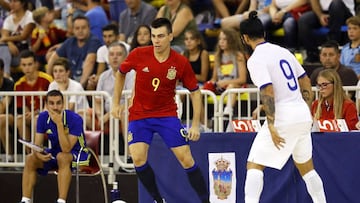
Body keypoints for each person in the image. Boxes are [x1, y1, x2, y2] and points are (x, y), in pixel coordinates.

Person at [111, 18, 210, 203]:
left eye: (161, 36)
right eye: (153, 36)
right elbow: (121, 73)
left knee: (186, 159)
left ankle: (206, 201)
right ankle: (158, 199)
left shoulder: (180, 62)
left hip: (166, 115)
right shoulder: (139, 54)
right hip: (139, 115)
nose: (156, 40)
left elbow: (196, 93)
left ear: (171, 36)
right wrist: (115, 103)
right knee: (138, 158)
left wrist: (196, 125)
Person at [239, 11, 326, 203]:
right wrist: (304, 106)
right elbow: (304, 80)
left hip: (282, 116)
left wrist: (271, 124)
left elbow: (268, 90)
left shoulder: (255, 59)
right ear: (264, 33)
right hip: (302, 113)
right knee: (307, 168)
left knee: (254, 165)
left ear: (245, 38)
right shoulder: (283, 51)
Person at [19, 89, 89, 203]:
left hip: (80, 153)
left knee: (63, 156)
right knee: (31, 158)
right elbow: (38, 144)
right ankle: (25, 200)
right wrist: (38, 154)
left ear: (63, 104)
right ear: (46, 105)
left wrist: (59, 124)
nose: (55, 107)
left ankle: (61, 201)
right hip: (56, 152)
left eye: (58, 103)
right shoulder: (42, 117)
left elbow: (67, 149)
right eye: (51, 103)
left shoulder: (75, 119)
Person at [47, 15, 102, 88]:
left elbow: (90, 61)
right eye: (77, 28)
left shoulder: (94, 41)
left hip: (87, 81)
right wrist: (50, 79)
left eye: (83, 28)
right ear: (73, 30)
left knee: (90, 83)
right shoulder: (70, 41)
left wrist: (80, 86)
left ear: (89, 28)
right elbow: (53, 58)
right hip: (71, 81)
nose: (80, 31)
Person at [203, 27, 247, 116]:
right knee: (199, 91)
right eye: (220, 39)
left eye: (225, 39)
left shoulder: (238, 56)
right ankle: (202, 121)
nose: (221, 42)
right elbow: (214, 78)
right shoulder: (218, 56)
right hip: (221, 85)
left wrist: (226, 82)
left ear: (231, 41)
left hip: (235, 85)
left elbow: (242, 79)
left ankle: (228, 111)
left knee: (231, 87)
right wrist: (211, 84)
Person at [15, 50, 53, 152]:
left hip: (46, 114)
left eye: (30, 64)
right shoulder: (18, 84)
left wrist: (36, 113)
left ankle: (38, 153)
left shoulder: (47, 79)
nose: (27, 68)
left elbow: (52, 102)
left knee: (37, 119)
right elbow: (22, 105)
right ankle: (29, 154)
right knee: (20, 120)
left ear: (36, 64)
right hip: (31, 114)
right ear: (20, 66)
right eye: (24, 65)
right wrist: (28, 113)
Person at [0, 0, 35, 79]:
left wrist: (6, 40)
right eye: (11, 1)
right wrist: (10, 43)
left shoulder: (30, 16)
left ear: (22, 3)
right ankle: (6, 76)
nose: (12, 4)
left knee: (3, 46)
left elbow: (23, 36)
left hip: (27, 52)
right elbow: (4, 37)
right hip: (11, 54)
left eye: (15, 1)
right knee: (3, 47)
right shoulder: (8, 19)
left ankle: (5, 76)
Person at [0, 58, 15, 162]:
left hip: (11, 115)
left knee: (2, 118)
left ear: (1, 71)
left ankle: (9, 155)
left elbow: (3, 108)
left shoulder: (9, 84)